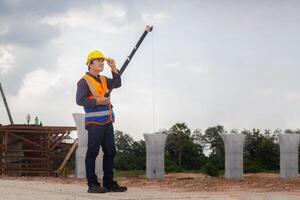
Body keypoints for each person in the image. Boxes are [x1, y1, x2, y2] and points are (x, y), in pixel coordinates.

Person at [76, 50, 127, 193]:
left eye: (102, 61)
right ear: (90, 64)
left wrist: (114, 69)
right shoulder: (83, 82)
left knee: (110, 152)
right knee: (92, 152)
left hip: (107, 121)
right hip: (94, 123)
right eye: (98, 60)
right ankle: (92, 185)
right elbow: (80, 100)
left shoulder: (104, 79)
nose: (101, 63)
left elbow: (118, 83)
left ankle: (109, 183)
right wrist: (99, 101)